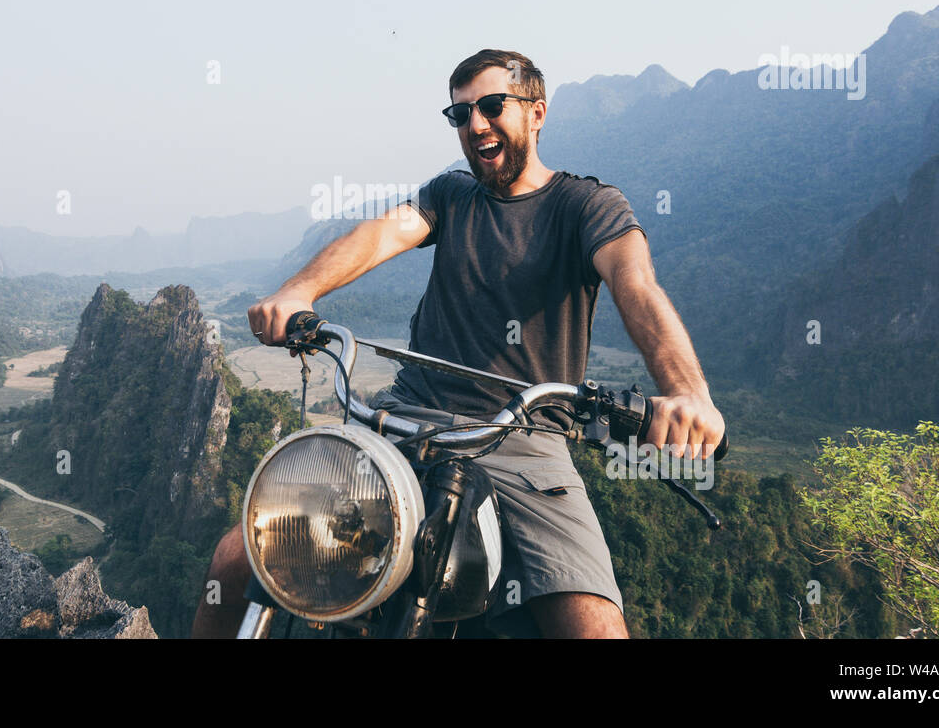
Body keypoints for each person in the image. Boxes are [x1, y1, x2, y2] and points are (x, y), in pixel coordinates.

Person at [191, 49, 725, 639]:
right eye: (460, 113)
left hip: (525, 441)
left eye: (493, 106)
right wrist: (298, 291)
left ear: (536, 112)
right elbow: (383, 233)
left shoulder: (585, 206)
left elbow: (636, 283)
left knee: (595, 628)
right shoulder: (450, 196)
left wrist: (686, 393)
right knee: (237, 560)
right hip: (403, 424)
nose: (475, 125)